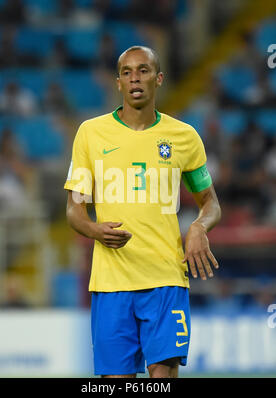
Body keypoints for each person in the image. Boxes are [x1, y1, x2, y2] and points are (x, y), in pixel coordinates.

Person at [64, 46, 221, 378]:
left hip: (165, 279)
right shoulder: (91, 134)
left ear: (159, 79)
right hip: (110, 284)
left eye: (144, 70)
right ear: (118, 82)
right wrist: (94, 230)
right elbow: (74, 209)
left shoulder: (184, 137)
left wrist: (198, 227)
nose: (135, 77)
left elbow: (210, 202)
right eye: (126, 72)